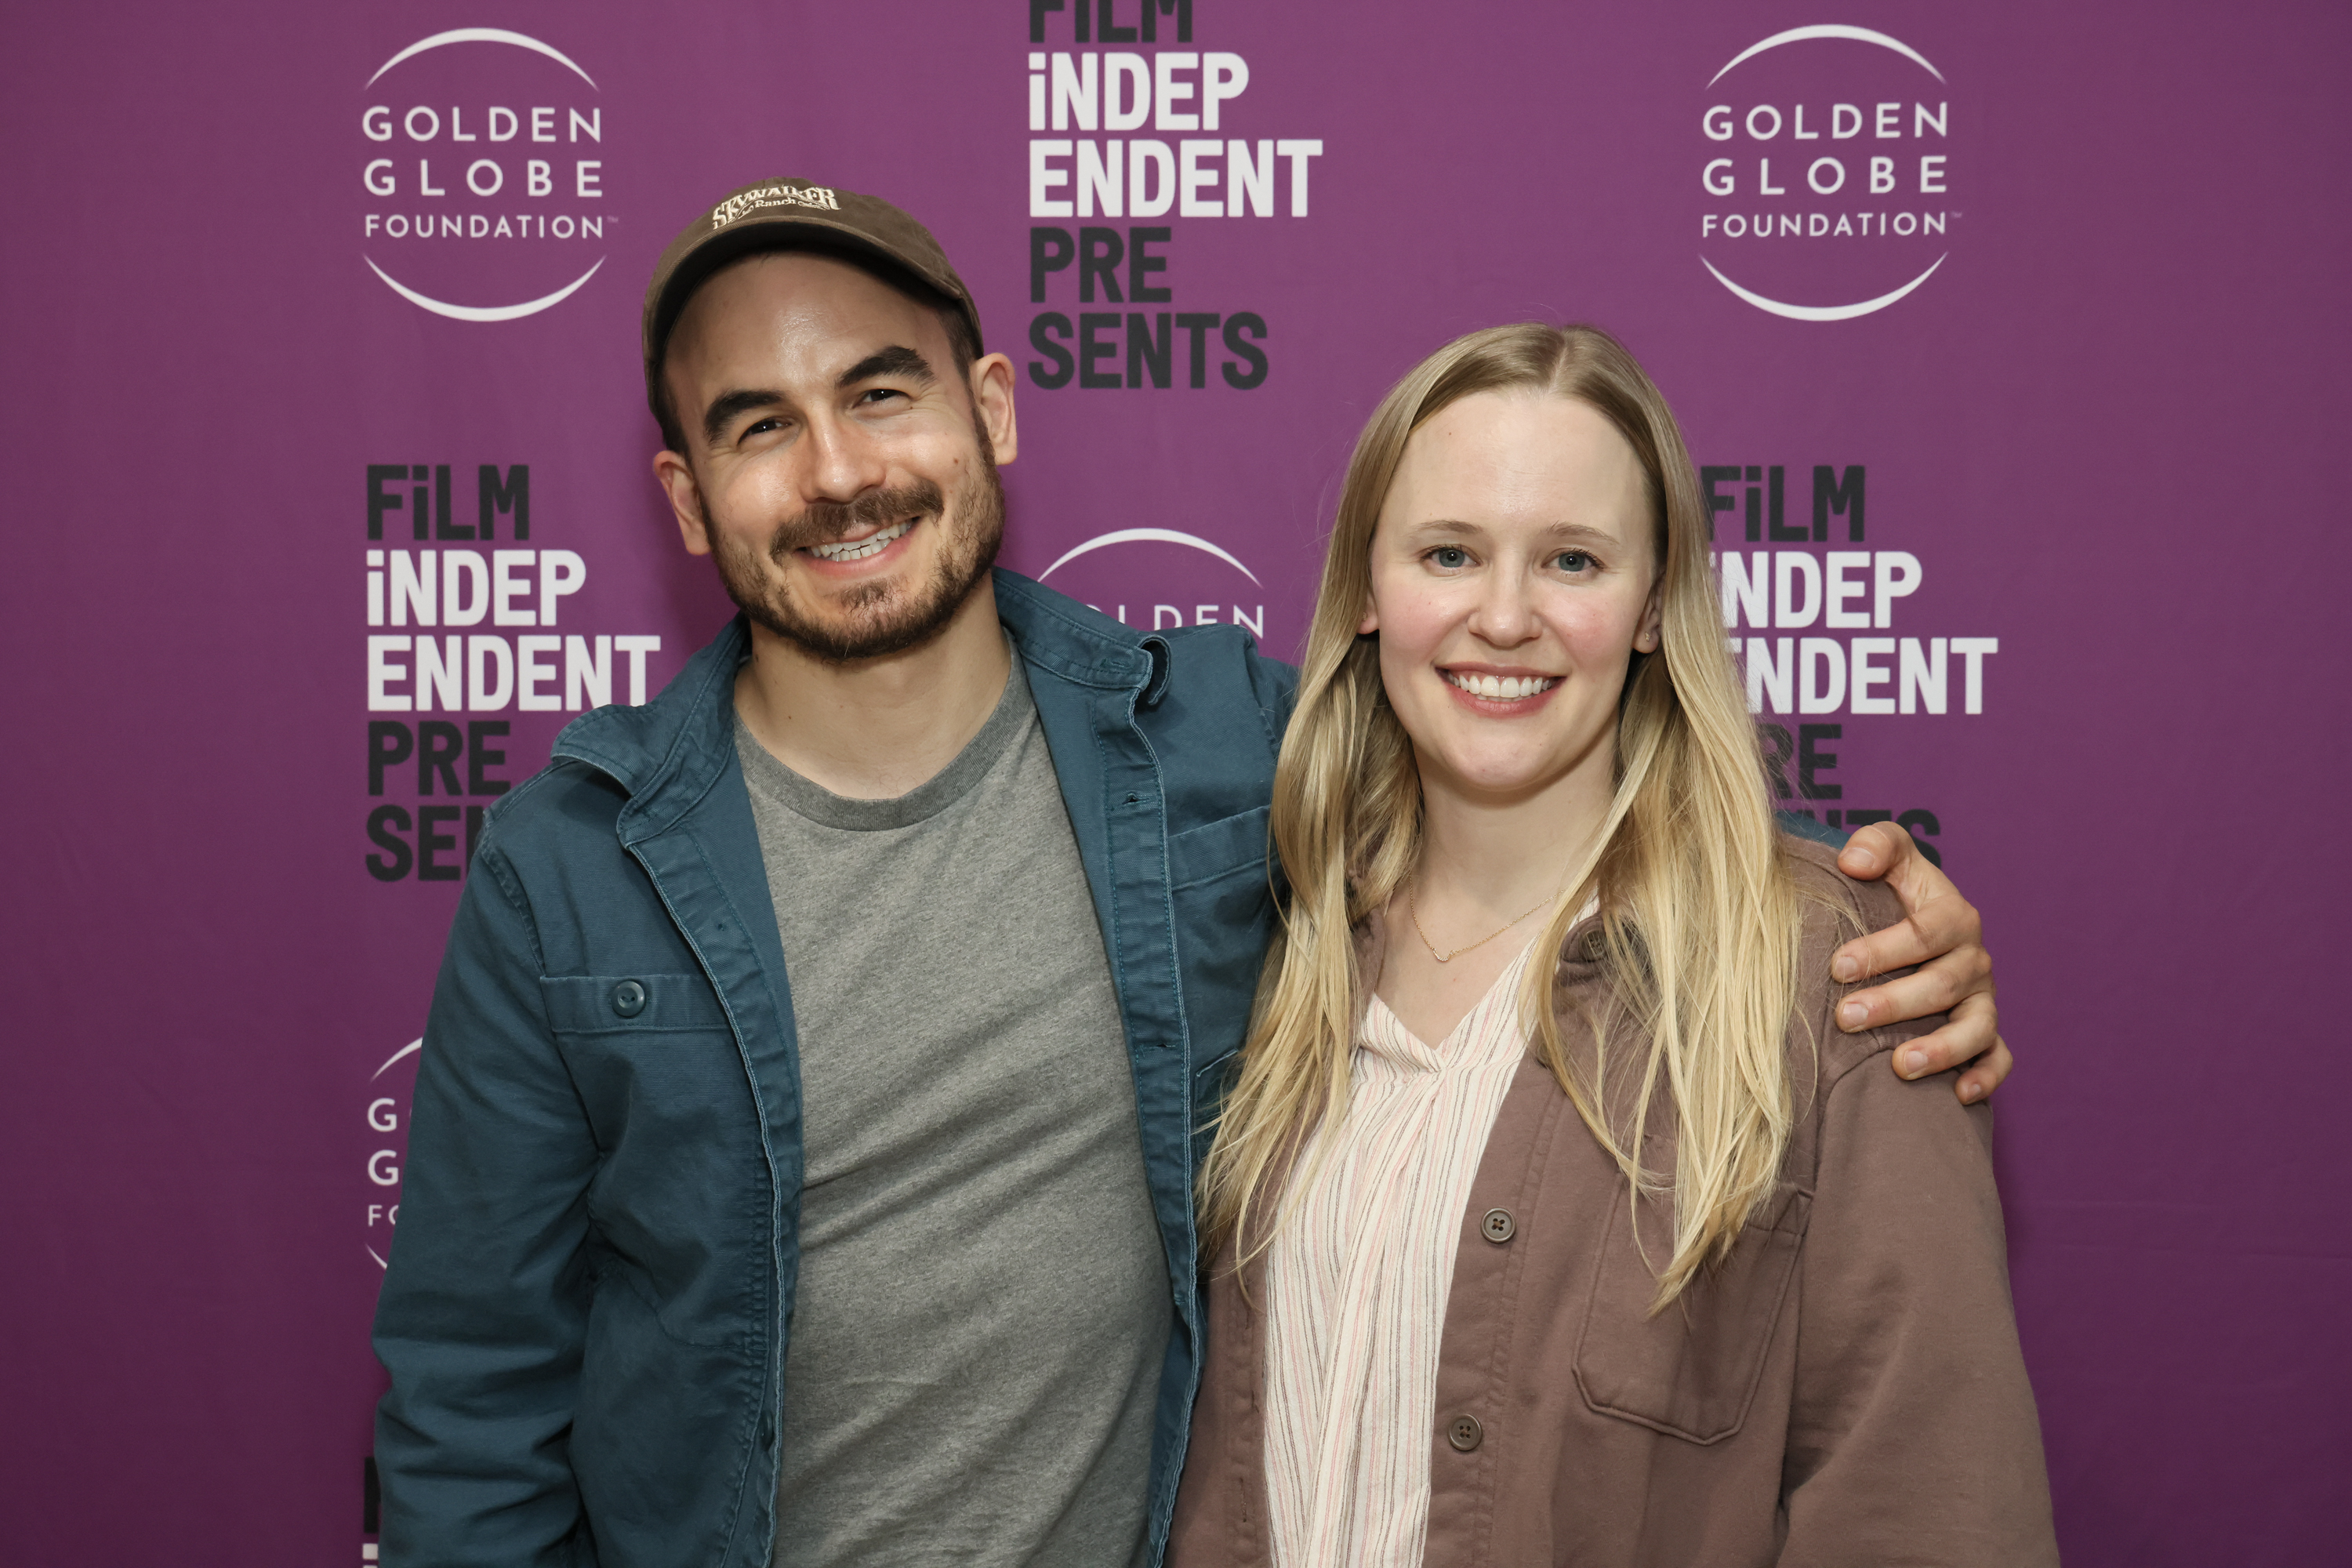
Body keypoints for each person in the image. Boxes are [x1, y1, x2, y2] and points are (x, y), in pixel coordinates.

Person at [371, 180, 2013, 1568]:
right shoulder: (567, 870)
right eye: (757, 426)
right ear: (684, 495)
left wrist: (1843, 926)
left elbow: (1524, 760)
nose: (838, 472)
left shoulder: (1220, 753)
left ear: (987, 407)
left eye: (882, 392)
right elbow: (471, 1407)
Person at [1171, 324, 2056, 1566]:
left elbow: (1925, 1504)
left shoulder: (1835, 978)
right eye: (1448, 553)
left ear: (1652, 606)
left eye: (1573, 560)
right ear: (1370, 591)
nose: (1505, 615)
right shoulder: (1257, 946)